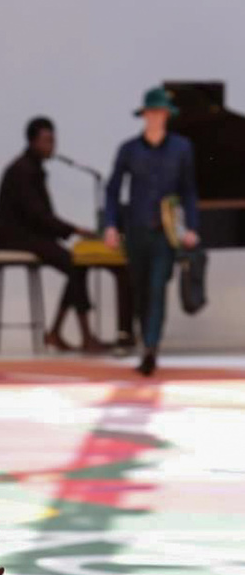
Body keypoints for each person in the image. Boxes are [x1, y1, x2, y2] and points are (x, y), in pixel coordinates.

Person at [104, 86, 199, 376]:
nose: (157, 117)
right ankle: (145, 337)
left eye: (161, 112)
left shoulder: (181, 148)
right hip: (136, 231)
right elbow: (113, 189)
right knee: (140, 288)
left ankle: (151, 348)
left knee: (157, 287)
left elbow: (189, 190)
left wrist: (191, 227)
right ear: (144, 114)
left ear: (167, 115)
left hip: (165, 233)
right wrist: (110, 225)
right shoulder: (129, 149)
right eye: (152, 112)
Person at [0, 117, 105, 352]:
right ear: (33, 141)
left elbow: (40, 216)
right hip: (16, 237)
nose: (52, 146)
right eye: (47, 141)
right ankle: (82, 336)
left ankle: (58, 332)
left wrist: (67, 230)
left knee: (76, 264)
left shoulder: (32, 168)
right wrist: (74, 230)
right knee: (75, 263)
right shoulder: (23, 170)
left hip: (28, 235)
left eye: (53, 140)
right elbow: (38, 215)